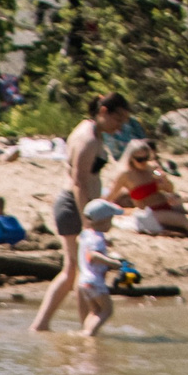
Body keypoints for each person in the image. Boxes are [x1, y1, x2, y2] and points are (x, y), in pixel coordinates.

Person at [30, 91, 128, 331]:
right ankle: (43, 325)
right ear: (104, 112)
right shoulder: (87, 138)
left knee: (77, 270)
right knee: (73, 269)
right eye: (118, 120)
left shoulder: (93, 131)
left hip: (81, 206)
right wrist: (87, 220)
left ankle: (81, 327)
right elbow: (79, 182)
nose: (120, 127)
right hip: (74, 207)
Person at [103, 138, 188, 241]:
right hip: (148, 212)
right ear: (131, 159)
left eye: (146, 158)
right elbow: (112, 194)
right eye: (139, 159)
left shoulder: (152, 168)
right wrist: (102, 206)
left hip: (164, 203)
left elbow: (169, 189)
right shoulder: (126, 174)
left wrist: (164, 180)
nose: (143, 162)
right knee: (185, 219)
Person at [74, 197, 121, 335]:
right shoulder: (97, 238)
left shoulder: (86, 234)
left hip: (83, 281)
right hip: (95, 281)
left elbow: (80, 241)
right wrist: (112, 263)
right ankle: (89, 335)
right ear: (104, 221)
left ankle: (85, 332)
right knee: (107, 310)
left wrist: (105, 243)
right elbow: (93, 256)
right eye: (111, 220)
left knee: (95, 311)